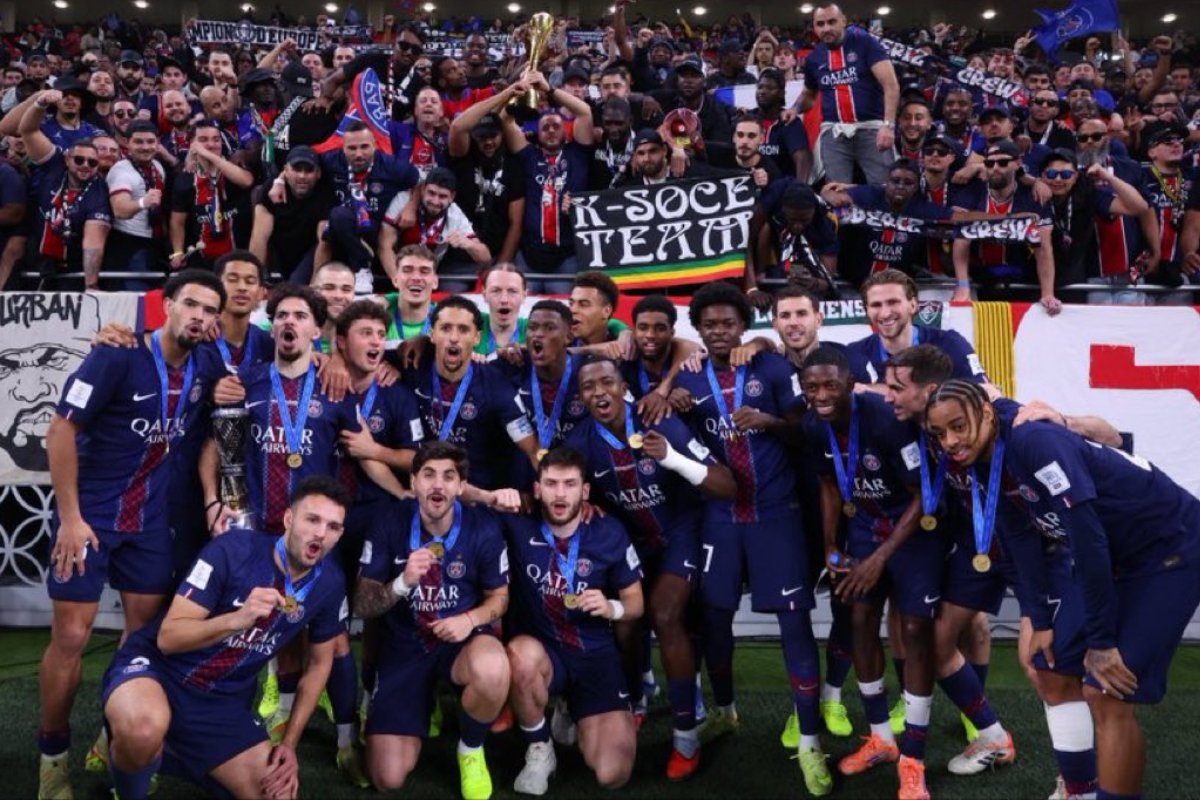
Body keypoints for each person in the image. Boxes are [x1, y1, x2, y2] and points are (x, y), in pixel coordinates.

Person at [925, 379, 1200, 800]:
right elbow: (1018, 537)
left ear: (984, 412)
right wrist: (1039, 616)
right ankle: (1079, 791)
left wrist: (1102, 641)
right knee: (1048, 664)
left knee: (1105, 691)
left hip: (1168, 551)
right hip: (1111, 558)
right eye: (940, 434)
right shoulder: (980, 454)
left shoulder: (1034, 440)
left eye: (958, 427)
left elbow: (1090, 543)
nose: (950, 442)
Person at [38, 270, 227, 800]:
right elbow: (60, 431)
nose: (200, 316)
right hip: (91, 520)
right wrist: (71, 518)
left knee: (140, 637)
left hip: (149, 526)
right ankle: (52, 757)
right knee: (71, 638)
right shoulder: (116, 355)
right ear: (165, 305)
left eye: (210, 310)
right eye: (191, 304)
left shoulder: (207, 362)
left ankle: (111, 732)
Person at [672, 282, 832, 796]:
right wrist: (668, 396)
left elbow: (806, 429)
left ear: (744, 325)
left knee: (794, 626)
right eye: (710, 324)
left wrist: (768, 420)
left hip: (774, 516)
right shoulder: (690, 377)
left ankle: (809, 740)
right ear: (698, 329)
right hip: (719, 518)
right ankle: (724, 711)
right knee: (714, 619)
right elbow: (676, 430)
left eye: (729, 323)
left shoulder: (771, 368)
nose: (720, 332)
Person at [98, 476, 353, 800]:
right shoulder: (233, 550)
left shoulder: (330, 582)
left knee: (277, 795)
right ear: (290, 519)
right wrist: (238, 619)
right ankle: (130, 777)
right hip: (158, 670)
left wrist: (288, 744)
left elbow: (319, 665)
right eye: (312, 519)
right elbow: (168, 638)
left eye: (332, 527)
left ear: (340, 534)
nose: (320, 532)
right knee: (143, 729)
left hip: (221, 700)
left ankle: (174, 751)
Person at [567, 356, 735, 778]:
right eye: (589, 387)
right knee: (625, 622)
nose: (599, 392)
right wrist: (583, 503)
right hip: (631, 543)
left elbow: (725, 483)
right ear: (581, 396)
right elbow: (568, 489)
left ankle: (685, 734)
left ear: (624, 386)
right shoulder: (581, 440)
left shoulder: (657, 419)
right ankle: (638, 694)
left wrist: (675, 459)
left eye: (608, 382)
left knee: (665, 614)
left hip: (681, 533)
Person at [799, 346, 946, 800]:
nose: (821, 395)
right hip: (864, 530)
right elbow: (828, 484)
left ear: (849, 384)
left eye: (829, 385)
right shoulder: (812, 424)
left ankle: (914, 759)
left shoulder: (885, 420)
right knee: (858, 618)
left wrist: (880, 558)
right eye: (811, 387)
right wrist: (830, 544)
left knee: (916, 628)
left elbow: (921, 495)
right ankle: (882, 738)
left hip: (912, 533)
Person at [354, 442, 512, 799]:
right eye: (428, 475)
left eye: (448, 476)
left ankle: (470, 749)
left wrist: (469, 620)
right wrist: (402, 582)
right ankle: (423, 706)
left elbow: (500, 599)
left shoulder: (483, 528)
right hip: (405, 646)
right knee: (387, 777)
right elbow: (363, 606)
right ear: (413, 482)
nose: (437, 485)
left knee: (493, 668)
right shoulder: (388, 521)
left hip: (462, 643)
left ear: (460, 486)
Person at [502, 447, 644, 793]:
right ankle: (540, 748)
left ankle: (571, 707)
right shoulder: (518, 525)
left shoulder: (609, 531)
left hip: (594, 654)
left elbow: (636, 605)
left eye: (569, 484)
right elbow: (458, 498)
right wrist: (493, 495)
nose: (560, 493)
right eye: (551, 483)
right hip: (543, 653)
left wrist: (612, 608)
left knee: (613, 773)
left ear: (585, 491)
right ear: (537, 490)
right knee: (519, 658)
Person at [402, 295, 539, 491]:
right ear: (432, 334)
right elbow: (364, 351)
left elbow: (533, 449)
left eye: (464, 330)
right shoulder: (412, 363)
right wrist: (339, 359)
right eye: (446, 328)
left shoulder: (495, 383)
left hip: (478, 495)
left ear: (477, 338)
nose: (454, 337)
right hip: (423, 490)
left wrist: (549, 481)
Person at [501, 71, 595, 293]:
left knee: (561, 317)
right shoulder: (528, 155)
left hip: (566, 256)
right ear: (537, 133)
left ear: (566, 132)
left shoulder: (578, 154)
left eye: (556, 126)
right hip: (529, 256)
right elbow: (505, 119)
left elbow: (585, 112)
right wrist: (518, 89)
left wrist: (548, 90)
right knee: (522, 311)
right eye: (545, 127)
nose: (551, 130)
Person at [951, 140, 1060, 313]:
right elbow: (961, 240)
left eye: (1002, 162)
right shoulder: (973, 191)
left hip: (1022, 279)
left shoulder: (1033, 196)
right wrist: (963, 286)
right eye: (989, 163)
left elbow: (1044, 248)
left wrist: (1047, 293)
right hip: (980, 279)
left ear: (1017, 164)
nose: (995, 168)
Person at [798, 2, 899, 185]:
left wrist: (888, 126)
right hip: (834, 133)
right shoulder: (814, 58)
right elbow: (809, 95)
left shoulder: (866, 43)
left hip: (872, 130)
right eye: (820, 24)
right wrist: (793, 109)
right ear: (813, 26)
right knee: (837, 192)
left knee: (884, 189)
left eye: (831, 22)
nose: (826, 28)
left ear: (843, 20)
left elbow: (890, 84)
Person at [19, 91, 111, 288]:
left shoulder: (99, 189)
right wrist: (39, 104)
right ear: (68, 159)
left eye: (92, 162)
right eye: (79, 160)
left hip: (75, 266)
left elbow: (93, 243)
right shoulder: (55, 165)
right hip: (38, 260)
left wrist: (91, 286)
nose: (85, 165)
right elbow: (27, 131)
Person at [315, 121, 420, 292]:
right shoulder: (331, 161)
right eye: (352, 148)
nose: (358, 154)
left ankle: (362, 268)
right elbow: (301, 162)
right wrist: (280, 180)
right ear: (343, 148)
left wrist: (411, 207)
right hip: (341, 233)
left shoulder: (392, 166)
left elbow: (420, 182)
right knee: (336, 217)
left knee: (338, 216)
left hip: (378, 231)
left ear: (375, 145)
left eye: (364, 147)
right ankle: (355, 267)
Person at [380, 166, 491, 291]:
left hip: (429, 274)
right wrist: (399, 280)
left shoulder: (455, 215)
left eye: (442, 196)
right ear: (423, 190)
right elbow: (384, 247)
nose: (435, 201)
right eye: (431, 193)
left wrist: (469, 244)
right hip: (398, 271)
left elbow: (485, 258)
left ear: (452, 197)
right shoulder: (402, 202)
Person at [168, 120, 255, 270]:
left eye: (216, 140)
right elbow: (178, 221)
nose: (211, 144)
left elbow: (246, 181)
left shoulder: (234, 169)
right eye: (203, 140)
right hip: (201, 262)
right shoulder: (185, 179)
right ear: (191, 144)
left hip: (238, 259)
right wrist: (177, 252)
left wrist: (209, 155)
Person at [251, 145, 334, 283]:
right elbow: (259, 236)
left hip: (311, 253)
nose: (302, 176)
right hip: (282, 252)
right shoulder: (271, 188)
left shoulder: (325, 191)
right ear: (286, 170)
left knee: (296, 284)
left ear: (318, 173)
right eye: (297, 169)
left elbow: (324, 242)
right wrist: (253, 279)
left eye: (308, 170)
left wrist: (316, 285)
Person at [103, 119, 164, 288]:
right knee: (130, 302)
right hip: (127, 246)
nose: (145, 147)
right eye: (138, 141)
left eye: (151, 141)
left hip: (153, 243)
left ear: (158, 143)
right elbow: (120, 209)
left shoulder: (157, 166)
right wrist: (144, 202)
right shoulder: (121, 170)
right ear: (126, 143)